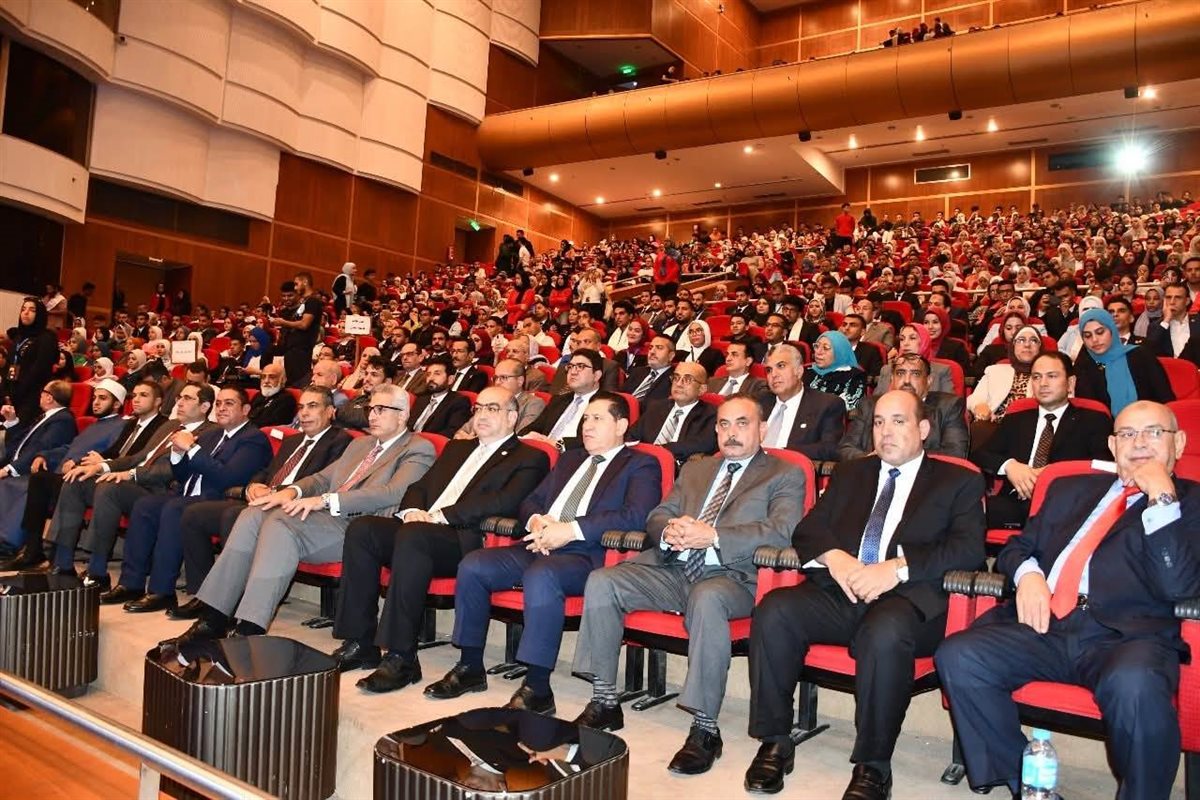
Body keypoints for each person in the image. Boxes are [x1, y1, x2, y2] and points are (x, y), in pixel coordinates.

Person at [937, 400, 1198, 800]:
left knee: (1136, 686)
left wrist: (1162, 497)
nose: (1139, 443)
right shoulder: (1070, 489)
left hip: (1127, 639)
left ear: (1178, 443)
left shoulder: (1191, 503)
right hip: (1047, 624)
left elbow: (1181, 584)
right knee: (959, 655)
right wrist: (1029, 577)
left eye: (1153, 432)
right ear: (1112, 445)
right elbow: (1016, 549)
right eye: (1128, 434)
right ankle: (1027, 785)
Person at [744, 390, 986, 798]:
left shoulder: (958, 480)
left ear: (923, 429)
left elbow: (968, 549)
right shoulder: (852, 473)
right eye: (878, 422)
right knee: (774, 610)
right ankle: (775, 741)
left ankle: (873, 766)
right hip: (845, 590)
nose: (885, 432)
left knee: (883, 633)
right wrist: (836, 559)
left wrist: (896, 568)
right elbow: (808, 530)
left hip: (909, 601)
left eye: (898, 421)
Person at [572, 396, 806, 774]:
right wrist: (670, 531)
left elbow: (781, 531)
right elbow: (658, 515)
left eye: (742, 423)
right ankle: (605, 701)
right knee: (603, 581)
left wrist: (713, 537)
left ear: (762, 429)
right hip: (674, 568)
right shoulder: (697, 469)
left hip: (733, 578)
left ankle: (705, 729)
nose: (731, 433)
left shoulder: (784, 473)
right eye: (724, 424)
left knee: (707, 597)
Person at [423, 392, 661, 714]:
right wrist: (537, 520)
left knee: (542, 574)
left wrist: (570, 530)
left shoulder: (640, 463)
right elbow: (531, 501)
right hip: (539, 542)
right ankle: (470, 666)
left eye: (597, 419)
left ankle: (537, 687)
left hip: (590, 555)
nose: (587, 425)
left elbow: (635, 515)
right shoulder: (570, 459)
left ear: (620, 425)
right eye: (585, 418)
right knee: (474, 565)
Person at [164, 383, 435, 642]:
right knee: (254, 513)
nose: (372, 416)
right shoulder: (361, 444)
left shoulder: (418, 448)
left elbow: (392, 493)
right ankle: (214, 617)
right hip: (325, 520)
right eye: (370, 409)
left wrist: (325, 500)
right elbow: (320, 478)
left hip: (360, 529)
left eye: (381, 409)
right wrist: (290, 492)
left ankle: (250, 625)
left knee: (280, 524)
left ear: (403, 415)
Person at [329, 386, 551, 690]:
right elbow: (420, 486)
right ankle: (360, 642)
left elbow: (505, 501)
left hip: (464, 539)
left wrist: (440, 516)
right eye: (479, 408)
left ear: (513, 417)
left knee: (414, 536)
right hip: (421, 529)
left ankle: (401, 657)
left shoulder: (529, 456)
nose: (482, 415)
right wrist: (411, 511)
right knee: (363, 529)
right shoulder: (457, 448)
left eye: (492, 409)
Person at [172, 386, 353, 611]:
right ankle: (203, 593)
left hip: (295, 508)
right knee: (194, 515)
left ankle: (231, 599)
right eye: (301, 407)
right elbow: (267, 472)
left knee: (233, 516)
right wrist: (254, 485)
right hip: (263, 501)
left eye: (313, 406)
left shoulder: (341, 442)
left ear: (330, 412)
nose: (304, 413)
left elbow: (322, 482)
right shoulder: (292, 441)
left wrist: (277, 491)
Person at [104, 387, 274, 612]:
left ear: (245, 409)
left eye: (229, 403)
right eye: (219, 403)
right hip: (187, 493)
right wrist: (177, 453)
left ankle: (161, 591)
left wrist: (191, 448)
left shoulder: (253, 439)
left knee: (175, 509)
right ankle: (131, 583)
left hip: (218, 499)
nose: (221, 408)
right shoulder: (212, 435)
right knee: (146, 505)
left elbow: (227, 477)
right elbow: (183, 475)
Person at [46, 383, 215, 589]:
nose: (179, 402)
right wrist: (102, 466)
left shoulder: (210, 432)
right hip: (136, 483)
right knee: (76, 480)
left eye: (187, 399)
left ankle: (97, 571)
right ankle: (63, 562)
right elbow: (139, 457)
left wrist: (130, 475)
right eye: (179, 397)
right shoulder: (171, 425)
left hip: (159, 490)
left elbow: (172, 470)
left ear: (205, 407)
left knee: (110, 488)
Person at [970, 352, 1113, 528]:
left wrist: (1052, 473)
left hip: (1064, 503)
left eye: (1052, 376)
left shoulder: (1093, 419)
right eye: (1037, 377)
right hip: (1016, 501)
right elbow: (982, 454)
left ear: (1070, 383)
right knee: (965, 511)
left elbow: (1103, 464)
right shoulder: (1017, 419)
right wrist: (1010, 466)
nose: (1043, 383)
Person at [0, 379, 125, 560]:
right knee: (38, 480)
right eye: (95, 398)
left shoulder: (121, 426)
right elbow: (70, 447)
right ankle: (31, 549)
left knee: (37, 481)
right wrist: (44, 455)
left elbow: (110, 454)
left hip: (83, 477)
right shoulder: (94, 425)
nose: (96, 402)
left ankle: (21, 547)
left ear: (116, 404)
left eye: (102, 398)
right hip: (63, 473)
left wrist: (77, 461)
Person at [838, 353, 968, 461]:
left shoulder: (948, 406)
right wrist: (870, 459)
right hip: (873, 475)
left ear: (929, 381)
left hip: (926, 479)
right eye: (900, 373)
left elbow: (955, 453)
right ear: (892, 379)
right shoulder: (870, 405)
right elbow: (845, 449)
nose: (906, 381)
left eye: (915, 374)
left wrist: (899, 456)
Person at [1073, 308, 1174, 415]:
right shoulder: (1084, 365)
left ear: (1112, 330)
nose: (1094, 340)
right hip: (1104, 424)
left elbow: (1165, 398)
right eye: (1087, 335)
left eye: (1100, 332)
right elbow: (1087, 411)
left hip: (1149, 419)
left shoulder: (1140, 356)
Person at [760, 344, 845, 462]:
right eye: (769, 370)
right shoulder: (758, 402)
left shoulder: (826, 404)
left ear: (799, 371)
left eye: (781, 366)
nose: (773, 375)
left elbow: (829, 448)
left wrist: (780, 452)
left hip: (790, 468)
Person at [627, 363, 717, 465]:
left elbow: (703, 445)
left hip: (678, 468)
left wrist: (660, 451)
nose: (679, 384)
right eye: (676, 378)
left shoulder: (711, 415)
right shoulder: (656, 407)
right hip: (641, 463)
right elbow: (632, 436)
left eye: (687, 379)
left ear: (702, 389)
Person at [523, 349, 606, 451]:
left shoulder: (605, 405)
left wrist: (558, 445)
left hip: (573, 456)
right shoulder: (559, 400)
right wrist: (526, 436)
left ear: (596, 375)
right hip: (542, 453)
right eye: (570, 367)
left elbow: (598, 439)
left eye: (580, 366)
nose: (573, 372)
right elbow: (534, 427)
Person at [966, 324, 1043, 422]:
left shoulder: (1047, 376)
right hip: (993, 423)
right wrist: (980, 406)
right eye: (1021, 340)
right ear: (1013, 346)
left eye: (1033, 340)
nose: (1027, 345)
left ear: (1040, 347)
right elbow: (975, 398)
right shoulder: (994, 371)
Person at [456, 358, 544, 439]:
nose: (497, 382)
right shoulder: (488, 401)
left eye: (503, 378)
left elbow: (521, 436)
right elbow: (461, 432)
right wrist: (464, 437)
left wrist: (475, 440)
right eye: (495, 378)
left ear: (520, 381)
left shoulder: (533, 404)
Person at [5, 298, 59, 426]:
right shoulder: (19, 337)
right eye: (23, 309)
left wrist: (19, 391)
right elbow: (12, 364)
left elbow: (39, 370)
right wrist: (8, 391)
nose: (26, 313)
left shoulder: (46, 338)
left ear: (39, 314)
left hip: (33, 396)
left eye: (32, 310)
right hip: (14, 393)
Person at [875, 323, 955, 396]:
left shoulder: (941, 371)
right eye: (902, 339)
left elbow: (948, 404)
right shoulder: (887, 370)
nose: (905, 343)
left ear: (924, 341)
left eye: (912, 338)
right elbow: (875, 402)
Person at [272, 273, 322, 387]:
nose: (295, 287)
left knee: (298, 384)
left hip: (301, 351)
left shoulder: (313, 301)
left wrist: (283, 322)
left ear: (305, 282)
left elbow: (304, 324)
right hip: (291, 350)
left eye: (296, 284)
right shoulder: (304, 302)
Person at [409, 355, 472, 438]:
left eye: (437, 374)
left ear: (450, 379)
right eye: (428, 374)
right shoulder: (421, 399)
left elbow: (452, 432)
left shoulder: (459, 402)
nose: (431, 378)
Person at [805, 331, 866, 411]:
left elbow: (845, 407)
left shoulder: (855, 377)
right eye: (817, 346)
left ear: (839, 352)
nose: (818, 352)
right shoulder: (808, 370)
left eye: (826, 348)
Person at [336, 355, 391, 431]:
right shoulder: (361, 398)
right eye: (366, 374)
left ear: (387, 382)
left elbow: (365, 418)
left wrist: (335, 412)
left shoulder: (388, 404)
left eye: (374, 375)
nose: (367, 379)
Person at [620, 335, 675, 410]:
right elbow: (621, 396)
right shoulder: (637, 372)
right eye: (650, 348)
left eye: (659, 348)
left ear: (671, 356)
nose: (652, 352)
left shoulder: (674, 380)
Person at [246, 362, 297, 426]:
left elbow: (271, 424)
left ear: (283, 380)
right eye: (263, 377)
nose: (266, 381)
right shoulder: (258, 395)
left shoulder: (286, 399)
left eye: (272, 377)